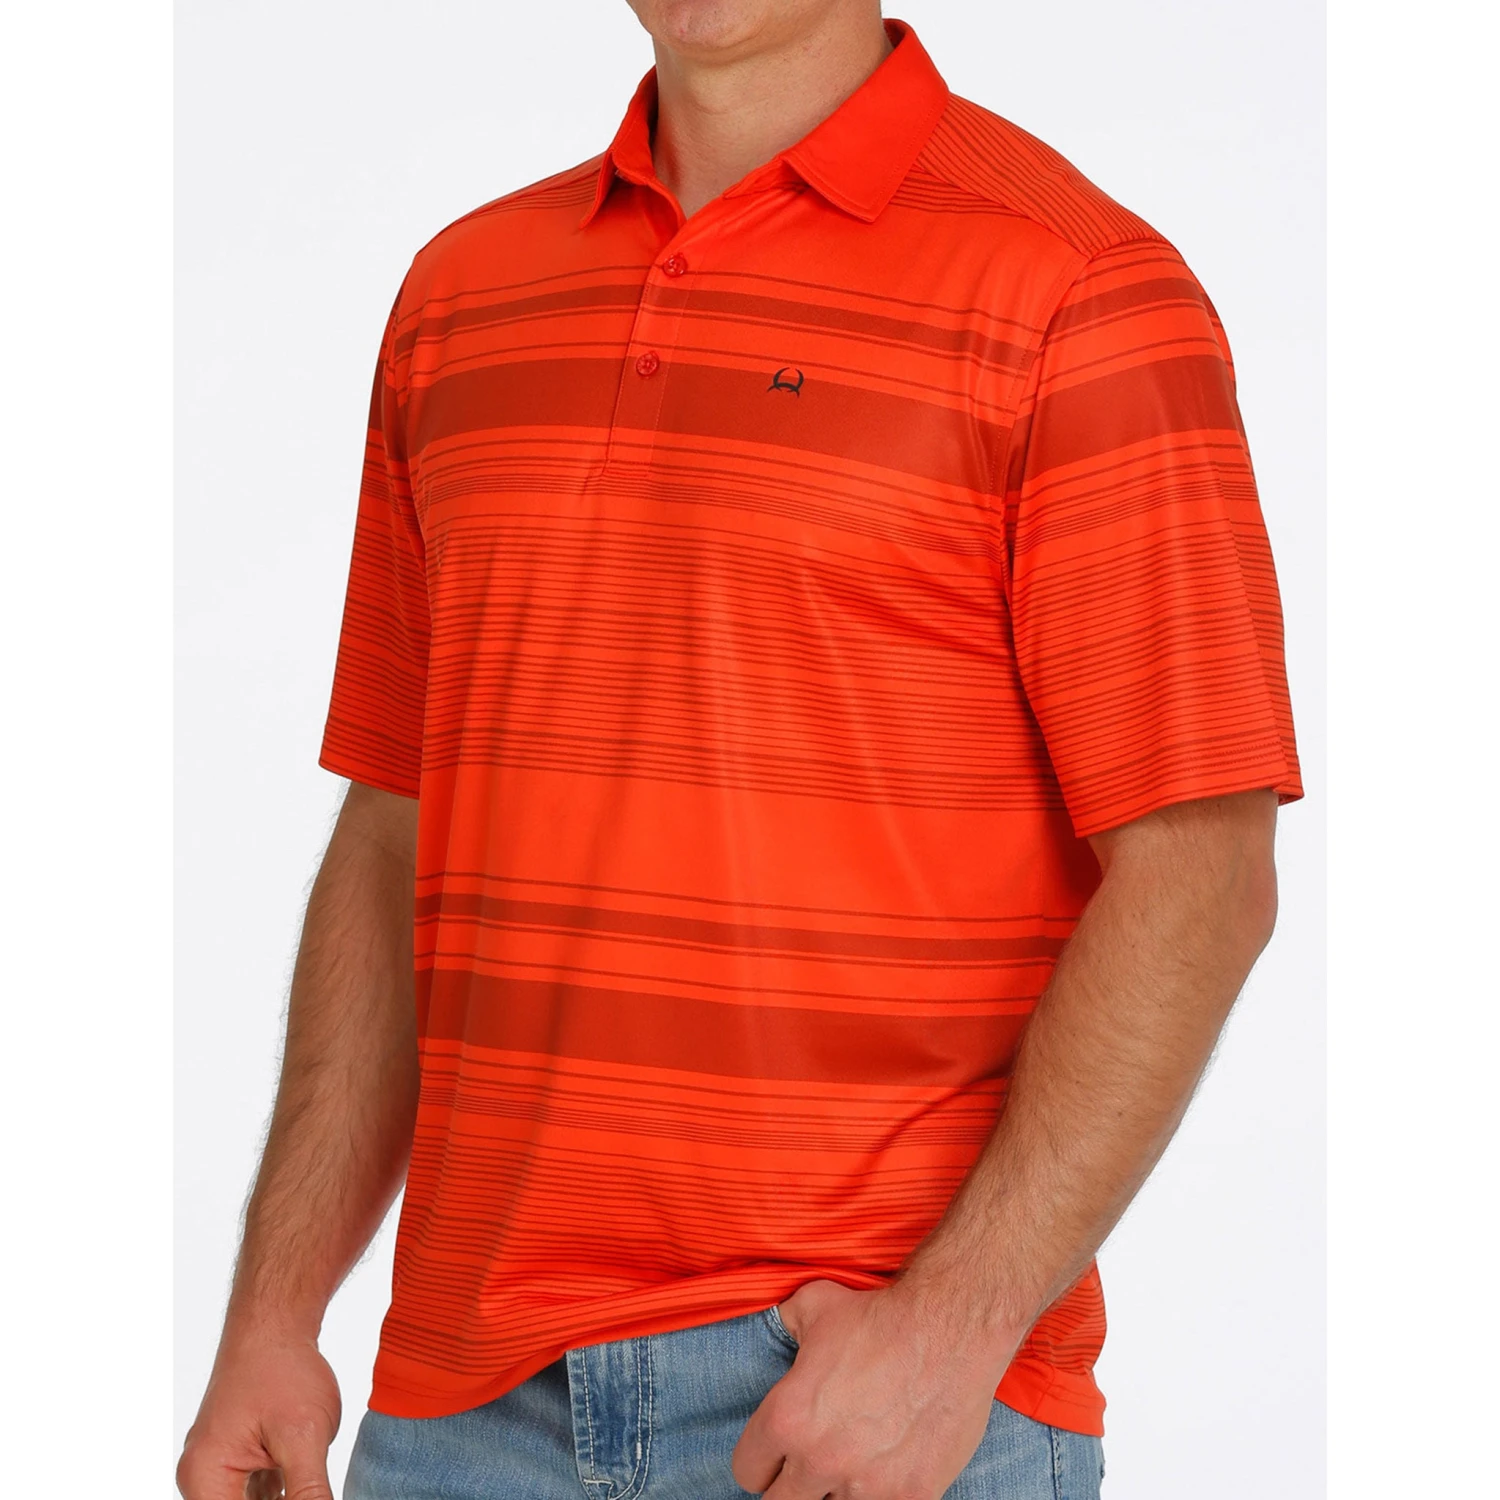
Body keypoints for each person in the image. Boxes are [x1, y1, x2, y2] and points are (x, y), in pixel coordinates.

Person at [177, 2, 1303, 1497]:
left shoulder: (1076, 289)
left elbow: (1201, 875)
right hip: (458, 1413)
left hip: (855, 1404)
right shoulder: (466, 292)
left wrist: (951, 1333)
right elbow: (396, 823)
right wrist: (274, 1312)